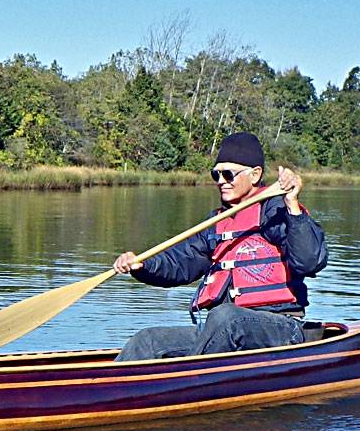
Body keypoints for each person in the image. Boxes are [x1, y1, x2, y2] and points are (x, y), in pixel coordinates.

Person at [112, 132, 328, 362]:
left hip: (281, 327)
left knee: (226, 318)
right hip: (224, 329)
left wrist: (292, 205)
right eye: (216, 174)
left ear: (255, 175)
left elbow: (309, 261)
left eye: (229, 174)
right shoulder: (216, 223)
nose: (221, 181)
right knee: (148, 340)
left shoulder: (277, 213)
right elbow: (180, 263)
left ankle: (182, 383)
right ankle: (115, 391)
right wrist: (141, 265)